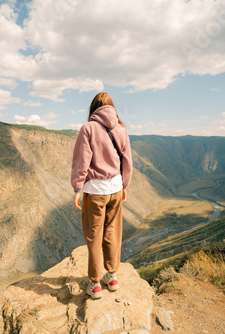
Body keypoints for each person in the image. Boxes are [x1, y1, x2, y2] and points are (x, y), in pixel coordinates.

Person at [71, 92, 133, 299]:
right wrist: (124, 185)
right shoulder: (121, 130)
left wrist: (77, 188)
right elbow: (127, 161)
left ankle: (95, 284)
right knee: (112, 233)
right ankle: (112, 277)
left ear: (93, 108)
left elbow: (82, 161)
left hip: (95, 191)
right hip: (115, 189)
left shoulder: (87, 129)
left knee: (94, 235)